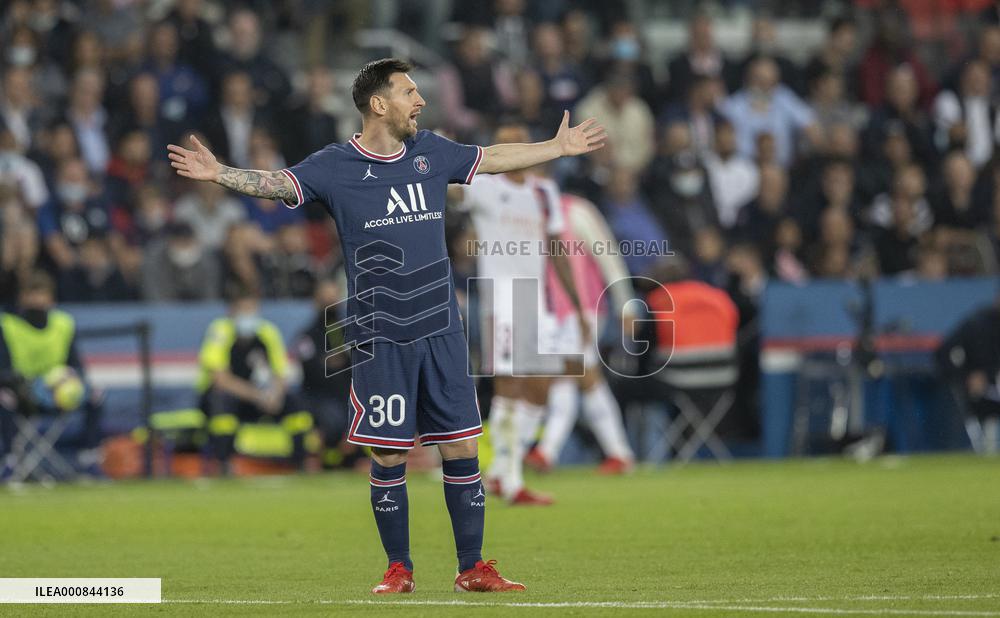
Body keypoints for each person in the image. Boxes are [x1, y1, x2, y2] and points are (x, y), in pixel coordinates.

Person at [167, 57, 605, 595]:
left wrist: (555, 149)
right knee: (389, 452)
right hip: (381, 334)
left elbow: (490, 157)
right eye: (409, 92)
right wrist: (220, 175)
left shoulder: (431, 151)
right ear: (379, 104)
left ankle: (473, 567)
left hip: (442, 326)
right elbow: (278, 184)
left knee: (462, 447)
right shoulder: (334, 165)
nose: (420, 101)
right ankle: (399, 569)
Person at [450, 120, 585, 506]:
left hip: (537, 302)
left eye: (516, 143)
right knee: (509, 384)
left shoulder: (544, 191)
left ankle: (499, 470)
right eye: (502, 143)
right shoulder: (485, 186)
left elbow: (557, 249)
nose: (509, 150)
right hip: (501, 299)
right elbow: (455, 196)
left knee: (542, 386)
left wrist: (575, 304)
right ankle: (510, 480)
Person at [527, 193, 637, 474]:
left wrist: (625, 303)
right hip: (549, 314)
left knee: (577, 375)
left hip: (584, 310)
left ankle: (548, 450)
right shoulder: (524, 212)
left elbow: (608, 255)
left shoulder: (576, 211)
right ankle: (617, 453)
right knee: (572, 379)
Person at [0, 271, 104, 478]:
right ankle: (10, 460)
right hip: (23, 394)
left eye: (42, 295)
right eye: (32, 295)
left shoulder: (63, 324)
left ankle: (88, 458)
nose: (37, 301)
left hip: (59, 393)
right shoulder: (8, 326)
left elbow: (77, 366)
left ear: (51, 299)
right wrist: (25, 383)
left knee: (95, 395)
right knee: (3, 398)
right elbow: (3, 370)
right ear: (22, 298)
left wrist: (67, 378)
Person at [195, 289, 311, 473]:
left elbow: (281, 373)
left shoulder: (267, 332)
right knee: (221, 402)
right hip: (228, 397)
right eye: (243, 310)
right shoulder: (220, 331)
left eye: (252, 310)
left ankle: (300, 462)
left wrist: (276, 396)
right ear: (232, 311)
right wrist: (258, 396)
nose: (248, 316)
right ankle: (224, 463)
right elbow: (220, 379)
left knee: (295, 404)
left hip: (260, 398)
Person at [292, 278, 359, 469]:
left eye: (334, 297)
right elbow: (311, 369)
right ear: (316, 300)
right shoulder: (308, 335)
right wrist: (334, 361)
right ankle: (327, 459)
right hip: (320, 398)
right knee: (333, 419)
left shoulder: (350, 332)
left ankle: (349, 457)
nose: (331, 303)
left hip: (348, 396)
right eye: (325, 298)